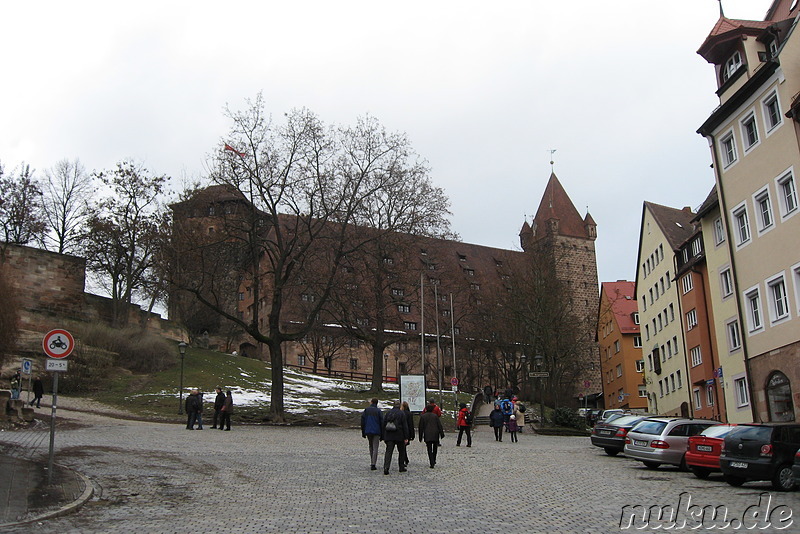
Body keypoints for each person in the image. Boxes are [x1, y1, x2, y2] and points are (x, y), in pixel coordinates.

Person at [382, 401, 409, 475]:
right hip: (399, 435)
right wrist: (406, 437)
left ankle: (386, 467)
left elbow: (384, 424)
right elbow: (405, 426)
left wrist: (383, 435)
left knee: (388, 452)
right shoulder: (401, 413)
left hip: (389, 435)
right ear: (399, 406)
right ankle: (401, 467)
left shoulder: (388, 413)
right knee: (401, 451)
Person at [360, 398, 383, 470]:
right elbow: (382, 422)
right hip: (376, 431)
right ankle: (373, 463)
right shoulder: (378, 411)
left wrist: (363, 431)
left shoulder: (366, 410)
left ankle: (371, 460)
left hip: (368, 431)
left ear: (371, 402)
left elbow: (362, 421)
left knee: (370, 446)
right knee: (375, 447)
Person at [399, 401, 415, 468]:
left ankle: (405, 459)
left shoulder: (400, 413)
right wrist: (412, 434)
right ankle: (405, 459)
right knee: (403, 447)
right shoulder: (409, 414)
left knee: (403, 447)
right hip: (407, 432)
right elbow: (411, 425)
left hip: (401, 431)